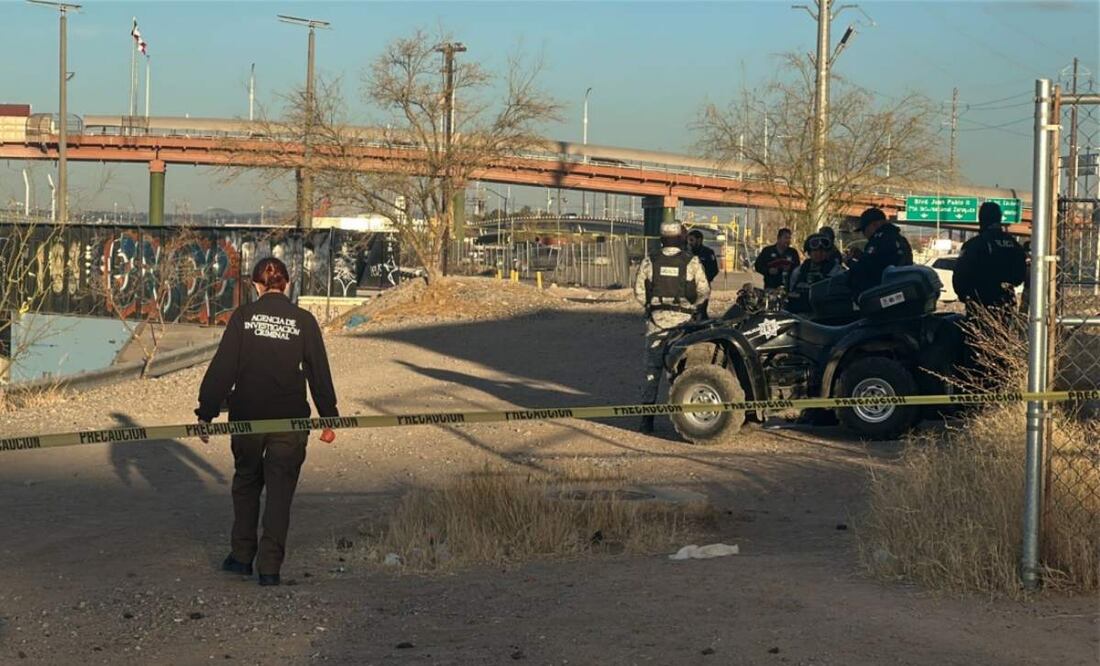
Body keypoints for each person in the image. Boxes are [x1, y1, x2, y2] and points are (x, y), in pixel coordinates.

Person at [195, 257, 339, 587]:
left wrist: (206, 411)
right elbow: (319, 373)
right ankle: (270, 569)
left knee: (246, 483)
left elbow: (223, 368)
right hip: (290, 420)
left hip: (247, 416)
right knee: (280, 491)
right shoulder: (304, 320)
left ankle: (242, 558)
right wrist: (329, 419)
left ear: (256, 286)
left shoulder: (243, 318)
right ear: (286, 285)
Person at [633, 221, 710, 434]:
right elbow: (704, 291)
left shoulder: (650, 261)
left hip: (655, 324)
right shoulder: (691, 261)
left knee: (652, 372)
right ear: (681, 238)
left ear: (662, 239)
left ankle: (646, 420)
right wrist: (692, 309)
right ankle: (684, 418)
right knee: (682, 372)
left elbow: (639, 291)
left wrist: (652, 307)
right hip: (683, 326)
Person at [953, 202, 1027, 317]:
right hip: (1006, 301)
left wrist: (965, 296)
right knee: (1002, 334)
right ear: (999, 218)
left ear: (981, 219)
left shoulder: (975, 244)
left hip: (980, 302)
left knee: (977, 334)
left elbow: (960, 274)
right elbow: (1021, 274)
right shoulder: (1013, 244)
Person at [847, 207, 913, 295]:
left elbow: (866, 270)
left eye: (864, 230)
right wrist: (862, 256)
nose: (864, 234)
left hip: (881, 293)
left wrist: (849, 262)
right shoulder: (900, 239)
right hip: (900, 290)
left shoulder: (878, 240)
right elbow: (880, 262)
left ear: (874, 225)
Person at [786, 233, 845, 313]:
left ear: (828, 252)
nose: (819, 253)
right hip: (801, 315)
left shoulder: (837, 271)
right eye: (815, 251)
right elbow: (791, 293)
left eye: (823, 251)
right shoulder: (799, 271)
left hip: (827, 316)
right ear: (809, 252)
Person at [687, 229, 719, 319]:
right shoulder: (686, 253)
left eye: (692, 240)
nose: (690, 243)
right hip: (688, 286)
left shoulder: (708, 253)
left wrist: (705, 279)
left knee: (701, 310)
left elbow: (714, 270)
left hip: (703, 286)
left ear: (699, 240)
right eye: (689, 240)